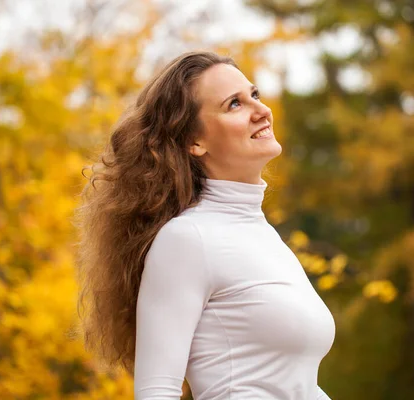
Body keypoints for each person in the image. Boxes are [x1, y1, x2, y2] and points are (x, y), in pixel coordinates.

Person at [74, 51, 335, 400]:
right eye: (234, 104)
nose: (262, 110)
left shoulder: (265, 238)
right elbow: (156, 391)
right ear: (194, 142)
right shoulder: (187, 239)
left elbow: (292, 385)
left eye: (254, 95)